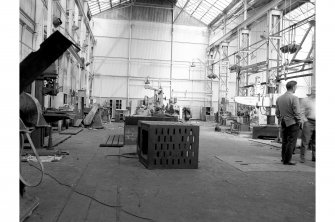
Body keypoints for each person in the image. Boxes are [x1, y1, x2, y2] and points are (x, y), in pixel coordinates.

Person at [276, 81, 303, 165]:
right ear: (294, 87)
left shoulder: (279, 98)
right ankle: (287, 160)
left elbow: (277, 112)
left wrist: (281, 118)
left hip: (283, 121)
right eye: (296, 87)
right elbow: (297, 112)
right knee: (291, 142)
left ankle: (284, 158)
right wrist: (299, 121)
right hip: (292, 122)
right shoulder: (294, 98)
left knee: (284, 141)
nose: (296, 88)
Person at [300, 87, 316, 163]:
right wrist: (305, 121)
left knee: (315, 141)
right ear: (311, 91)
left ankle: (314, 157)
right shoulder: (305, 100)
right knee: (305, 141)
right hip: (309, 122)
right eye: (314, 90)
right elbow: (301, 111)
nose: (315, 92)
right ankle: (302, 157)